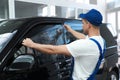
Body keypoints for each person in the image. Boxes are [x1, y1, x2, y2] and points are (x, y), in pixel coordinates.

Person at [22, 9, 105, 80]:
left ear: (89, 25)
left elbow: (53, 50)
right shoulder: (100, 41)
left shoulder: (85, 45)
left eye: (83, 23)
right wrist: (70, 30)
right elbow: (84, 37)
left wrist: (32, 44)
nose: (82, 26)